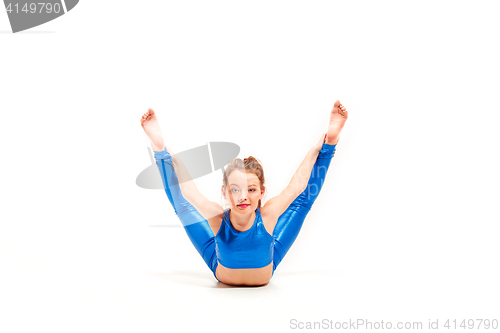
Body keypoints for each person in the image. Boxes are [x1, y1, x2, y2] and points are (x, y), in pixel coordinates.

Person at [140, 100, 348, 286]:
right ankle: (159, 150)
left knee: (302, 202)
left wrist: (317, 150)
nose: (243, 197)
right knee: (183, 207)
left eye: (251, 189)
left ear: (261, 192)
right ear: (225, 192)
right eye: (235, 190)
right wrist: (163, 153)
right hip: (219, 263)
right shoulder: (217, 218)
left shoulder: (268, 215)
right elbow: (188, 191)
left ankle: (331, 141)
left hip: (268, 259)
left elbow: (297, 186)